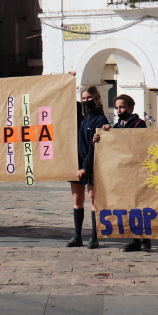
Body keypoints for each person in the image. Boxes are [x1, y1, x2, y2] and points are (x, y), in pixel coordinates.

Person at [96, 94, 151, 252]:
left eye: (122, 107)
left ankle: (145, 238)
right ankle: (135, 238)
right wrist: (104, 134)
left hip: (137, 172)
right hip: (123, 173)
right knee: (128, 206)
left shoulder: (139, 124)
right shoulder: (117, 125)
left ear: (131, 108)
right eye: (117, 108)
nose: (120, 110)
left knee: (140, 205)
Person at [67, 85, 108, 249]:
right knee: (77, 199)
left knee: (93, 199)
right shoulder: (81, 116)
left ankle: (94, 237)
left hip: (91, 164)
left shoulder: (101, 119)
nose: (86, 101)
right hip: (76, 162)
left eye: (89, 98)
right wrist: (70, 80)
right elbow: (64, 98)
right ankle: (77, 236)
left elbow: (94, 146)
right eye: (84, 98)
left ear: (96, 98)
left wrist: (85, 166)